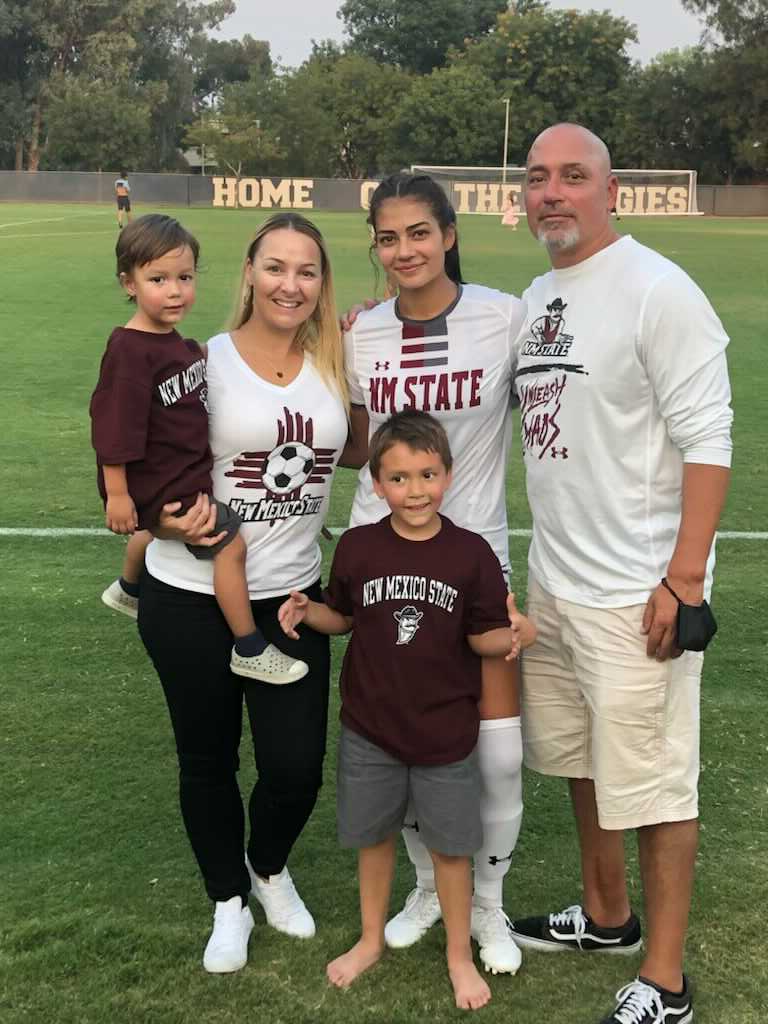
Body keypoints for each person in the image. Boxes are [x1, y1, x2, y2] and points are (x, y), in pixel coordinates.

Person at [507, 123, 732, 1024]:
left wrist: (684, 580)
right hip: (556, 582)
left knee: (656, 782)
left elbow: (709, 441)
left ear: (612, 192)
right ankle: (606, 917)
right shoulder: (538, 293)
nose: (551, 193)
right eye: (536, 179)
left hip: (635, 594)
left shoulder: (658, 291)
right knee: (583, 763)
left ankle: (666, 983)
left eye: (572, 177)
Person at [134, 212, 349, 972]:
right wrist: (165, 518)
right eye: (275, 266)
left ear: (322, 286)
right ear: (250, 273)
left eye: (307, 271)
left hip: (291, 599)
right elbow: (144, 469)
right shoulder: (201, 362)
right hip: (190, 597)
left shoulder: (335, 360)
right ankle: (229, 897)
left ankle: (268, 868)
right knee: (208, 759)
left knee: (295, 769)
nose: (290, 284)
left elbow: (357, 447)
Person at [278, 410, 537, 1009]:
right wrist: (306, 610)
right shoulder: (360, 547)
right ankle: (370, 939)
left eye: (427, 474)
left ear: (448, 475)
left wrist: (519, 633)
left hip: (446, 730)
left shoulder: (470, 554)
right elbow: (342, 617)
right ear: (375, 484)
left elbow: (483, 639)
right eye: (398, 478)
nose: (414, 490)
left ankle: (456, 954)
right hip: (370, 727)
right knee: (374, 839)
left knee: (451, 849)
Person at [340, 171, 528, 976]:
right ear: (375, 246)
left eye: (420, 232)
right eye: (388, 237)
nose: (405, 250)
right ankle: (425, 889)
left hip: (476, 558)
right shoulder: (360, 333)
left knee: (497, 754)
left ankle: (488, 906)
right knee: (398, 735)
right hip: (380, 557)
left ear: (449, 234)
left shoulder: (505, 317)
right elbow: (351, 443)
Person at [91, 214, 306, 685]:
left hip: (178, 475)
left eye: (184, 278)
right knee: (229, 542)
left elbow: (183, 369)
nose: (174, 291)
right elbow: (113, 429)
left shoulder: (173, 344)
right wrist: (120, 495)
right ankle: (248, 645)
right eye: (158, 279)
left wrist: (199, 355)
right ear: (129, 283)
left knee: (163, 531)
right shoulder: (129, 352)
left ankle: (128, 588)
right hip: (161, 480)